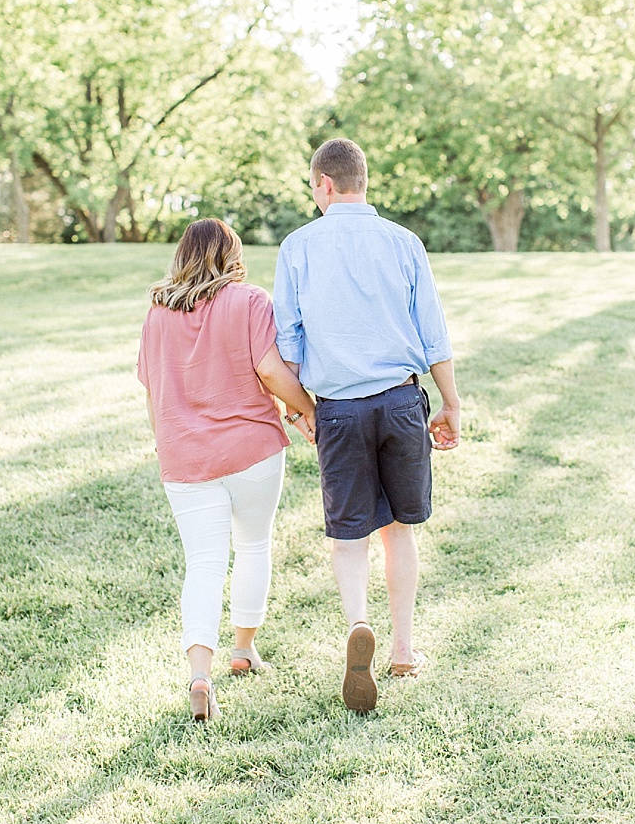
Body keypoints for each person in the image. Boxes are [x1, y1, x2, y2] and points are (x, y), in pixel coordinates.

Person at [272, 137, 461, 714]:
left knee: (349, 533)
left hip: (339, 406)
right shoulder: (404, 242)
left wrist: (302, 407)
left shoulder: (298, 246)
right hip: (402, 401)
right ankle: (403, 647)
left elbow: (289, 340)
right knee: (400, 528)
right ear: (362, 180)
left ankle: (360, 625)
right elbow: (433, 333)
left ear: (324, 184)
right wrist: (451, 402)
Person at [137, 218, 318, 721]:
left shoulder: (157, 314)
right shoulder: (249, 300)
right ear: (231, 253)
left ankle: (200, 674)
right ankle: (244, 649)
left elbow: (153, 393)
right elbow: (270, 370)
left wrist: (165, 447)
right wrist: (307, 410)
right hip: (252, 449)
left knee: (204, 563)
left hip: (184, 458)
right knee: (254, 544)